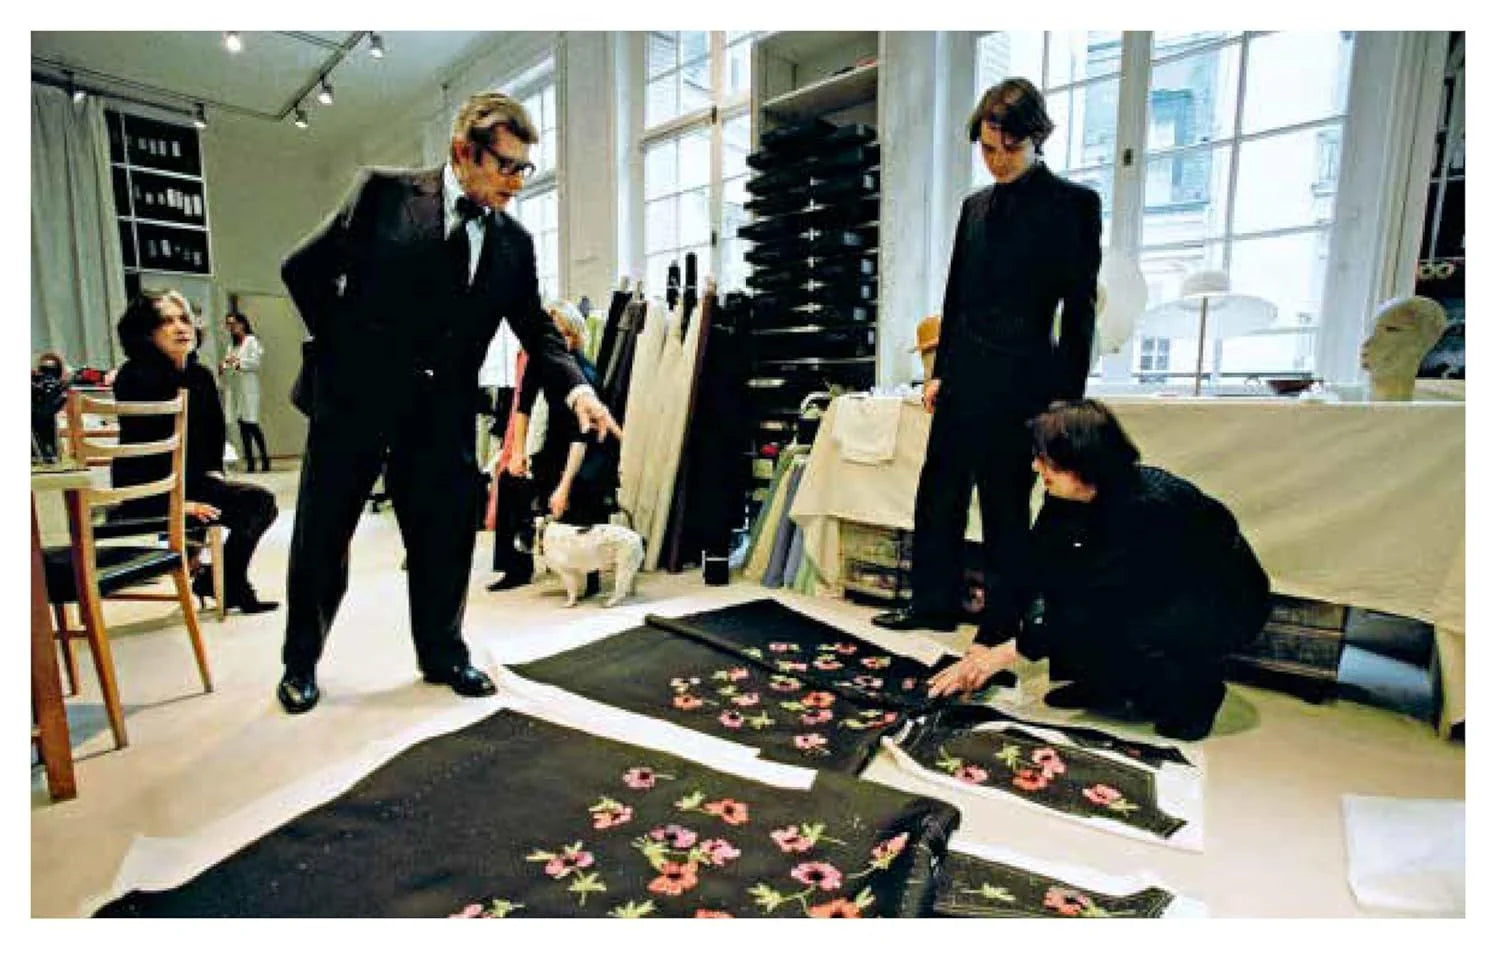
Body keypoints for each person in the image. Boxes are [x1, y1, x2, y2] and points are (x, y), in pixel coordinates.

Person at [276, 91, 620, 714]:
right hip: (354, 401)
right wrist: (346, 349)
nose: (517, 181)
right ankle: (300, 663)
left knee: (445, 535)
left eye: (524, 168)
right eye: (506, 165)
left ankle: (443, 653)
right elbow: (302, 269)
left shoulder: (514, 242)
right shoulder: (382, 193)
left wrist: (578, 389)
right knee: (324, 535)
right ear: (464, 152)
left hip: (440, 413)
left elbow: (535, 328)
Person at [873, 78, 1103, 647]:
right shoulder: (973, 207)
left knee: (1005, 505)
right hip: (964, 376)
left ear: (1036, 137)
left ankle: (1002, 622)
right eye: (987, 148)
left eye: (1009, 148)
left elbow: (1078, 312)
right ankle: (932, 604)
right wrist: (939, 373)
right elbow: (956, 299)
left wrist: (1065, 406)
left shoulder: (1074, 204)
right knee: (939, 493)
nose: (997, 160)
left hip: (1024, 382)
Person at [928, 399, 1270, 741]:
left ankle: (1197, 696)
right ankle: (1106, 687)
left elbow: (1106, 601)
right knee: (1067, 594)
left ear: (1080, 462)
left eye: (1045, 460)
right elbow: (1031, 567)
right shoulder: (1066, 496)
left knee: (1104, 612)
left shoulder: (1146, 507)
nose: (1034, 467)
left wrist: (1004, 655)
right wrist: (986, 642)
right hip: (1147, 593)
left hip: (1220, 605)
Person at [112, 290, 281, 614]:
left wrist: (214, 473)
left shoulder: (199, 375)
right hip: (149, 489)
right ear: (146, 332)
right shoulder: (134, 377)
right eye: (166, 321)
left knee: (259, 503)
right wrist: (181, 505)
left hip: (191, 482)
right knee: (249, 504)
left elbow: (214, 434)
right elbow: (143, 454)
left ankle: (223, 580)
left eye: (184, 319)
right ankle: (223, 582)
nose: (180, 327)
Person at [488, 301, 615, 592]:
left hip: (585, 454)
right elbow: (523, 407)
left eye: (565, 335)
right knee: (509, 481)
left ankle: (587, 571)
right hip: (556, 449)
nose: (559, 342)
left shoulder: (584, 375)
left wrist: (563, 487)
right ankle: (516, 568)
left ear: (576, 336)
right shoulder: (540, 362)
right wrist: (517, 453)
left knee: (580, 488)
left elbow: (581, 438)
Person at [221, 310, 271, 472]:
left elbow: (255, 363)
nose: (231, 327)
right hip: (236, 389)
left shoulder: (251, 341)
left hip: (249, 388)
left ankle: (264, 458)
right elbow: (229, 364)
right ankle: (250, 462)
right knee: (242, 424)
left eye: (233, 323)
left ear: (242, 324)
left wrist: (237, 363)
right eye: (228, 324)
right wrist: (224, 366)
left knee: (252, 423)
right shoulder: (232, 345)